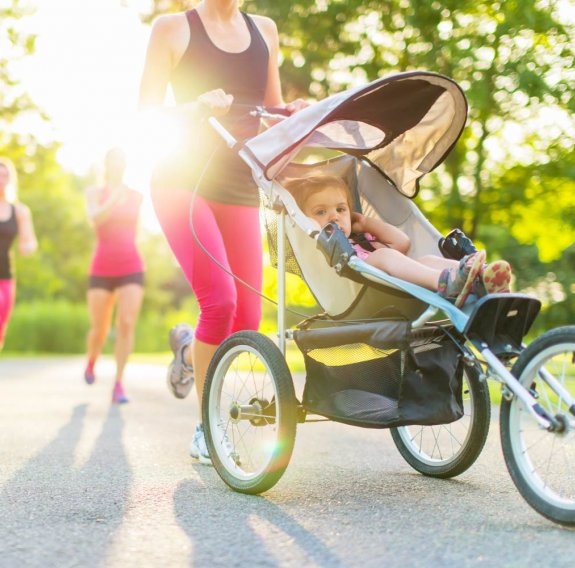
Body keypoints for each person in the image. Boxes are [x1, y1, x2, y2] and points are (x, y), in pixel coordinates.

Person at [138, 0, 308, 463]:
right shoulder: (173, 29)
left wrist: (290, 113)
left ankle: (190, 349)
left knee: (246, 317)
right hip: (182, 179)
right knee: (221, 301)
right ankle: (207, 429)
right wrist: (193, 107)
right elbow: (146, 111)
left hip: (239, 183)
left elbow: (270, 111)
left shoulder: (265, 30)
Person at [285, 174, 512, 305]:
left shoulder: (363, 238)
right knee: (384, 255)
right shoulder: (323, 248)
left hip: (395, 284)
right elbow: (310, 232)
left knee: (426, 260)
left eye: (341, 209)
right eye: (321, 212)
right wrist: (312, 226)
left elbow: (402, 243)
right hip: (361, 289)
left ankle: (482, 277)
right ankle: (446, 282)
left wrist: (365, 224)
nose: (334, 216)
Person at [84, 147, 145, 404]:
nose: (117, 164)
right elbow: (94, 218)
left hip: (131, 264)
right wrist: (113, 198)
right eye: (113, 160)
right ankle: (91, 360)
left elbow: (136, 228)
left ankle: (118, 383)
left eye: (122, 159)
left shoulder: (136, 195)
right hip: (101, 267)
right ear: (106, 164)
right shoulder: (94, 193)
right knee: (99, 328)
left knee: (127, 322)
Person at [0, 157, 37, 350]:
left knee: (0, 330)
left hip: (6, 275)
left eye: (4, 175)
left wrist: (28, 247)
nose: (1, 179)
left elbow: (29, 241)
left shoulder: (20, 211)